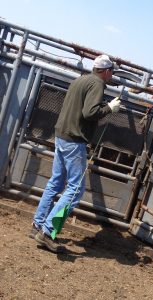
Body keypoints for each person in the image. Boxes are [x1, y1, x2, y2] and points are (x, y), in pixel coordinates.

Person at [29, 54, 121, 253]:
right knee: (75, 189)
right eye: (112, 71)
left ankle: (37, 224)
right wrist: (109, 109)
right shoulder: (97, 84)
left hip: (61, 135)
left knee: (56, 182)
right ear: (105, 71)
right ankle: (47, 232)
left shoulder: (80, 80)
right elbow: (90, 113)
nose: (112, 75)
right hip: (75, 140)